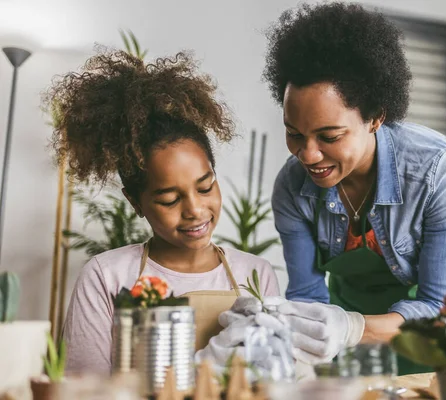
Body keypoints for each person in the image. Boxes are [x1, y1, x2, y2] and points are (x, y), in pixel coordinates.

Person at [234, 2, 446, 374]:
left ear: (375, 117)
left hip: (437, 338)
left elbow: (439, 307)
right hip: (354, 347)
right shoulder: (292, 187)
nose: (308, 154)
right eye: (294, 134)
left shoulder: (436, 171)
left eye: (329, 136)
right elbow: (307, 297)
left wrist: (352, 328)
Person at [47, 50, 280, 375]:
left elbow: (273, 377)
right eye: (170, 199)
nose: (195, 210)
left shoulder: (256, 274)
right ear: (136, 202)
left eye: (205, 186)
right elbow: (85, 390)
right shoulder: (106, 276)